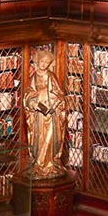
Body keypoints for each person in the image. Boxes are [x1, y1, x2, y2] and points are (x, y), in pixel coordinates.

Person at [23, 46, 67, 179]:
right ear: (37, 62)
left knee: (51, 138)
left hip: (51, 113)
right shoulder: (34, 77)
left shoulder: (51, 76)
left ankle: (50, 165)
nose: (44, 65)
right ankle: (39, 164)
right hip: (38, 114)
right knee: (39, 138)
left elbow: (59, 94)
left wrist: (54, 104)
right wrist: (33, 103)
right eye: (42, 62)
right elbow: (28, 94)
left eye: (47, 63)